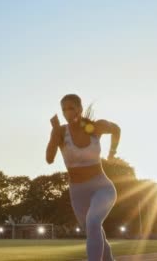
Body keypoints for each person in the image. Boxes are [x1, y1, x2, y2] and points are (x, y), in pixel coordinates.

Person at [46, 94, 121, 261]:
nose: (67, 112)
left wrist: (112, 153)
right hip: (78, 192)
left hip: (102, 187)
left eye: (71, 108)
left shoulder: (94, 127)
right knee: (93, 229)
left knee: (93, 221)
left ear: (79, 109)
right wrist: (54, 134)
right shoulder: (60, 132)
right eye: (64, 109)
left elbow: (116, 129)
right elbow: (49, 159)